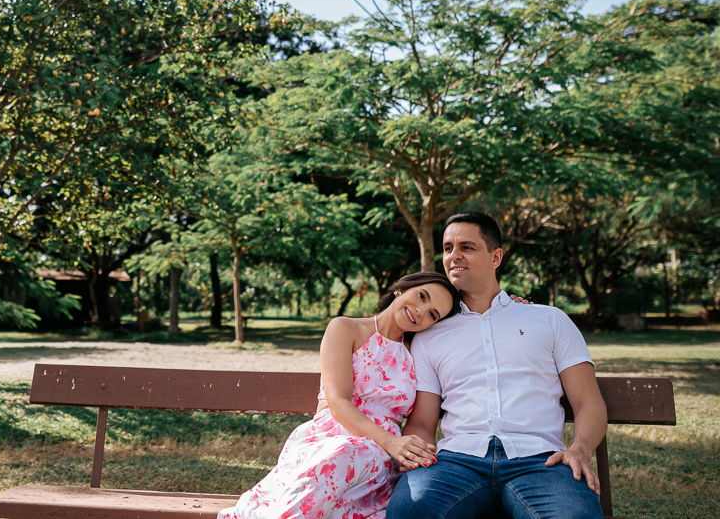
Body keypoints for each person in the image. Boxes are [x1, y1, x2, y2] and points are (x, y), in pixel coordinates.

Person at [386, 211, 608, 519]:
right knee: (410, 510)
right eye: (448, 247)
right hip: (456, 463)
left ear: (496, 256)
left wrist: (580, 449)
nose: (454, 256)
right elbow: (423, 422)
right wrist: (415, 456)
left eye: (467, 247)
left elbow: (588, 401)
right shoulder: (430, 334)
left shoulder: (550, 319)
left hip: (540, 462)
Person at [218, 272, 459, 519]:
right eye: (421, 297)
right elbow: (338, 402)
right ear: (402, 288)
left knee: (349, 456)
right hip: (332, 438)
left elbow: (419, 423)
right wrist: (390, 442)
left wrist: (405, 452)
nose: (420, 311)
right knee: (342, 453)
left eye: (432, 314)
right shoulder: (345, 328)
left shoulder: (417, 354)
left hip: (381, 458)